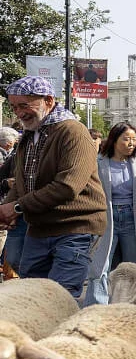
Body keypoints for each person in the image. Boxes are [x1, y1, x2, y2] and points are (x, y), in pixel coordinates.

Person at [0, 76, 106, 298]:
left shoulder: (73, 131)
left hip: (75, 227)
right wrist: (7, 210)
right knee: (32, 295)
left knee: (60, 297)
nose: (19, 113)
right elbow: (21, 182)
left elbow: (67, 186)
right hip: (39, 228)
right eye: (14, 107)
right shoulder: (29, 136)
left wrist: (17, 207)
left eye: (24, 105)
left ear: (48, 100)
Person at [86, 122, 136, 306]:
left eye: (134, 140)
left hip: (133, 218)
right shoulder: (98, 162)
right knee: (100, 266)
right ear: (114, 140)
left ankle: (134, 305)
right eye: (126, 139)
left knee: (134, 266)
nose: (131, 143)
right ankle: (97, 307)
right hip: (107, 218)